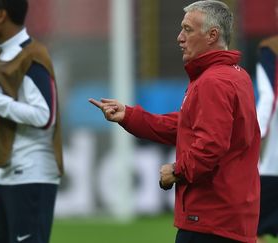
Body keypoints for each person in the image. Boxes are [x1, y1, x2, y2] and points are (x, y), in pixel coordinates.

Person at [90, 1, 260, 243]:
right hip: (230, 218)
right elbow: (187, 127)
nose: (180, 38)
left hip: (210, 221)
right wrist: (129, 115)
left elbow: (211, 145)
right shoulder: (236, 75)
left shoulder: (213, 82)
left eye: (188, 30)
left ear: (212, 35)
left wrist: (176, 171)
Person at [0, 1, 64, 243]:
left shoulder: (33, 55)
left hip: (31, 174)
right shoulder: (2, 53)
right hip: (4, 174)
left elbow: (44, 116)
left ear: (1, 15)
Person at [255, 4, 278, 242]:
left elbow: (269, 99)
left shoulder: (270, 49)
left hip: (273, 165)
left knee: (251, 230)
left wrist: (252, 137)